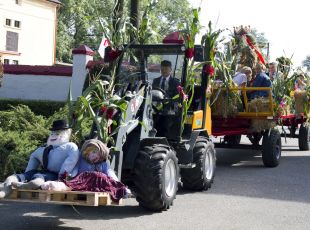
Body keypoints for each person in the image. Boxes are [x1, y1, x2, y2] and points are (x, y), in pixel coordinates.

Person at [0, 119, 80, 198]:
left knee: (38, 177)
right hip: (42, 172)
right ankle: (5, 189)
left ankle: (30, 185)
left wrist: (62, 176)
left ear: (66, 134)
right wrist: (28, 173)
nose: (54, 135)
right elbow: (34, 156)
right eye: (52, 133)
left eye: (58, 133)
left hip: (54, 174)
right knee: (19, 176)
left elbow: (72, 159)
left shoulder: (70, 146)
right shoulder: (44, 149)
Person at [63, 139, 128, 202]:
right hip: (81, 182)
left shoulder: (102, 164)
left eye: (99, 155)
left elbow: (110, 173)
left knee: (103, 178)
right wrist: (70, 175)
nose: (95, 155)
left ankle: (121, 189)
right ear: (87, 151)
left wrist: (116, 182)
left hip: (96, 185)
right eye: (93, 152)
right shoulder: (80, 159)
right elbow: (73, 167)